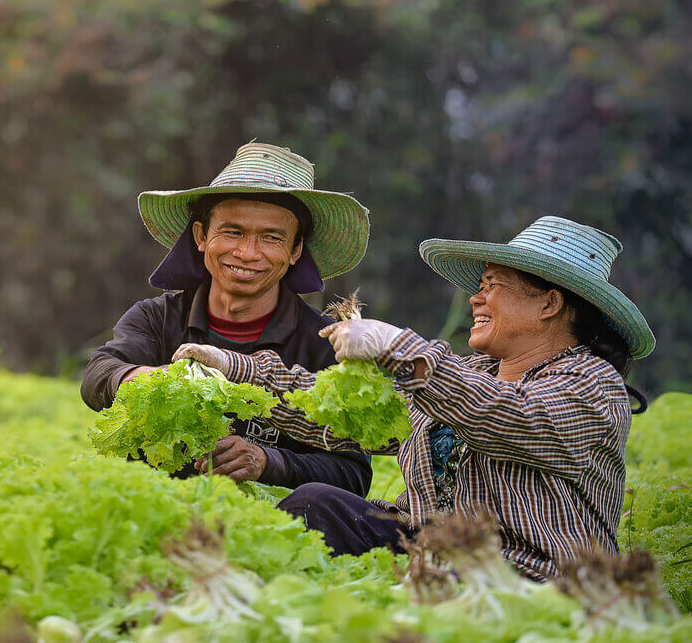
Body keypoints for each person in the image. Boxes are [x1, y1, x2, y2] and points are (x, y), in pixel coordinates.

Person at [174, 216, 654, 581]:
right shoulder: (467, 371)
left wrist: (397, 347)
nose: (475, 300)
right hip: (428, 555)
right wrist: (236, 371)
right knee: (317, 504)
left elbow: (507, 417)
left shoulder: (591, 384)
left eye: (492, 288)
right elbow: (349, 418)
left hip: (525, 576)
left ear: (550, 304)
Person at [81, 142, 374, 495]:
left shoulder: (327, 345)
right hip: (161, 516)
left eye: (271, 237)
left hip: (268, 530)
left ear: (295, 251)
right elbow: (98, 375)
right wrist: (141, 378)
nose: (247, 253)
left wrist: (269, 462)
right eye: (232, 231)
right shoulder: (156, 318)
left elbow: (353, 473)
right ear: (202, 236)